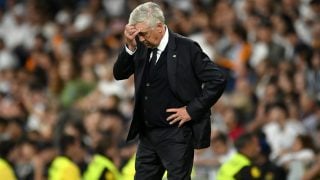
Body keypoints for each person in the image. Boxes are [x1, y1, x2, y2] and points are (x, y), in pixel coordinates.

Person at [113, 2, 227, 179]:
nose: (141, 38)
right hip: (148, 134)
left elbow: (217, 79)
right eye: (137, 34)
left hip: (177, 134)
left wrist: (192, 110)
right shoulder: (140, 46)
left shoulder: (187, 48)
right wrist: (129, 46)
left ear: (159, 26)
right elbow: (119, 74)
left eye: (143, 33)